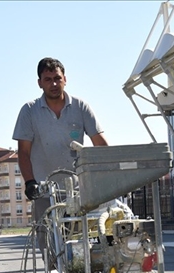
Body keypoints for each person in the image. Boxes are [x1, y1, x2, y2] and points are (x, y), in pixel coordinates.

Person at [12, 57, 108, 260]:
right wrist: (30, 183)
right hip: (45, 192)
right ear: (39, 83)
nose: (54, 84)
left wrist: (106, 177)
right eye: (48, 79)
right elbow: (24, 153)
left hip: (77, 191)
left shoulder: (80, 107)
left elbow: (100, 144)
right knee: (49, 244)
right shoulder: (29, 111)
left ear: (65, 79)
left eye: (57, 78)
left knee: (81, 243)